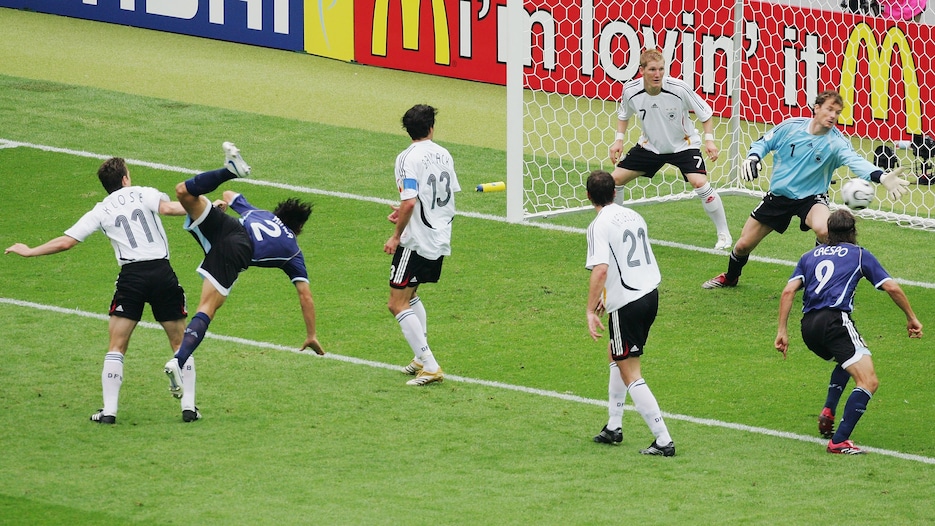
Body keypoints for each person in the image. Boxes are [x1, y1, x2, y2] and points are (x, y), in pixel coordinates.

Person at [4, 158, 194, 423]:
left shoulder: (101, 209)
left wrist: (30, 251)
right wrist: (204, 209)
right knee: (179, 342)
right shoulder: (143, 192)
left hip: (131, 279)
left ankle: (110, 412)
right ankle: (188, 408)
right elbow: (171, 208)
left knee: (117, 345)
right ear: (126, 178)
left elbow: (66, 242)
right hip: (162, 273)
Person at [163, 142, 325, 400]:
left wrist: (226, 201)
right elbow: (305, 295)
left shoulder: (260, 213)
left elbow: (228, 194)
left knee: (185, 193)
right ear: (297, 229)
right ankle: (178, 360)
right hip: (236, 250)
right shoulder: (293, 250)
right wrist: (311, 334)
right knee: (207, 308)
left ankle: (229, 169)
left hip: (226, 226)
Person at [702, 90, 910, 289]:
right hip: (778, 197)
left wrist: (881, 177)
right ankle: (730, 278)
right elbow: (763, 143)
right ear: (816, 108)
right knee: (742, 246)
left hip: (811, 198)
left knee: (825, 230)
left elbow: (856, 162)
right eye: (829, 109)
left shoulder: (836, 142)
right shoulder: (791, 127)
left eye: (837, 113)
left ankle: (818, 275)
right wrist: (753, 157)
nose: (833, 116)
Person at [775, 209, 922, 454]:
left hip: (808, 327)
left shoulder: (808, 256)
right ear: (853, 232)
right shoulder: (860, 255)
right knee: (868, 380)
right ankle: (839, 441)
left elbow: (788, 292)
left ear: (828, 232)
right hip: (835, 321)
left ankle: (828, 411)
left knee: (848, 360)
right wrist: (912, 318)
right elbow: (892, 288)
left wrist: (782, 331)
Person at [585, 170, 675, 456]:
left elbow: (601, 268)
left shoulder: (598, 225)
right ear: (615, 192)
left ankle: (663, 439)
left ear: (589, 197)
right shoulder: (634, 216)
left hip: (628, 302)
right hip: (650, 294)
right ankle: (614, 425)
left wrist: (590, 308)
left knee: (630, 371)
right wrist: (606, 296)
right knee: (617, 353)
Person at [609, 49, 731, 251]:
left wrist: (709, 141)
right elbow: (624, 115)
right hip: (650, 147)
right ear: (641, 70)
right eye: (652, 69)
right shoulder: (630, 90)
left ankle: (724, 233)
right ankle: (617, 230)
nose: (657, 74)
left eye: (661, 69)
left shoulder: (679, 88)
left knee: (699, 182)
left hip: (684, 145)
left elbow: (705, 113)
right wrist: (618, 141)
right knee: (614, 180)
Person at [384, 104, 460, 386]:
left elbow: (410, 200)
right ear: (431, 128)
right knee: (411, 294)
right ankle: (420, 358)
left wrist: (396, 234)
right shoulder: (444, 154)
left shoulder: (406, 158)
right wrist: (405, 212)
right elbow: (443, 196)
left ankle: (430, 364)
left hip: (415, 240)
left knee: (396, 302)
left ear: (408, 130)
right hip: (440, 235)